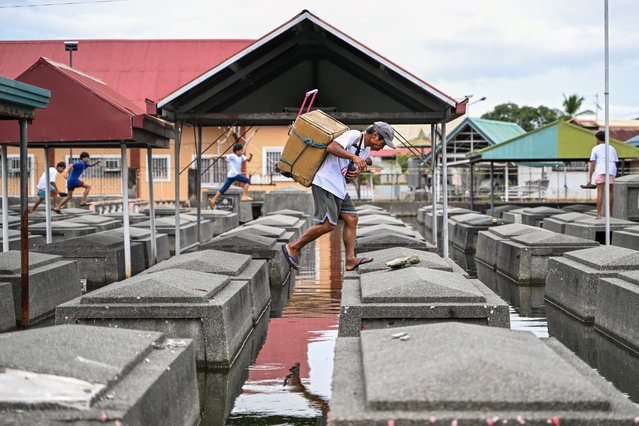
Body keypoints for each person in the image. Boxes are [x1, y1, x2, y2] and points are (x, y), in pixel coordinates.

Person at [282, 122, 395, 271]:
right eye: (383, 142)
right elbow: (332, 148)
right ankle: (294, 246)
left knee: (352, 218)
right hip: (325, 182)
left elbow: (356, 163)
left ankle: (350, 260)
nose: (382, 147)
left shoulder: (366, 149)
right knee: (328, 224)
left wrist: (355, 171)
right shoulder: (354, 135)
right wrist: (354, 158)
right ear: (374, 135)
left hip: (339, 187)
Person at [208, 143, 253, 208]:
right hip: (234, 174)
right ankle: (244, 196)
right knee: (247, 181)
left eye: (242, 150)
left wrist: (251, 156)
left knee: (224, 189)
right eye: (240, 150)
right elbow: (222, 156)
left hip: (231, 175)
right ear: (237, 151)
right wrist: (212, 157)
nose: (242, 152)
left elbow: (248, 160)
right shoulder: (232, 156)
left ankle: (213, 199)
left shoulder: (241, 156)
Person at [587, 130, 618, 220]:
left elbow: (592, 163)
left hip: (601, 169)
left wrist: (590, 177)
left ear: (598, 139)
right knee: (610, 192)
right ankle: (610, 214)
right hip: (611, 170)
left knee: (600, 192)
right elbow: (615, 162)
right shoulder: (612, 148)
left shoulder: (595, 148)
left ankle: (598, 214)